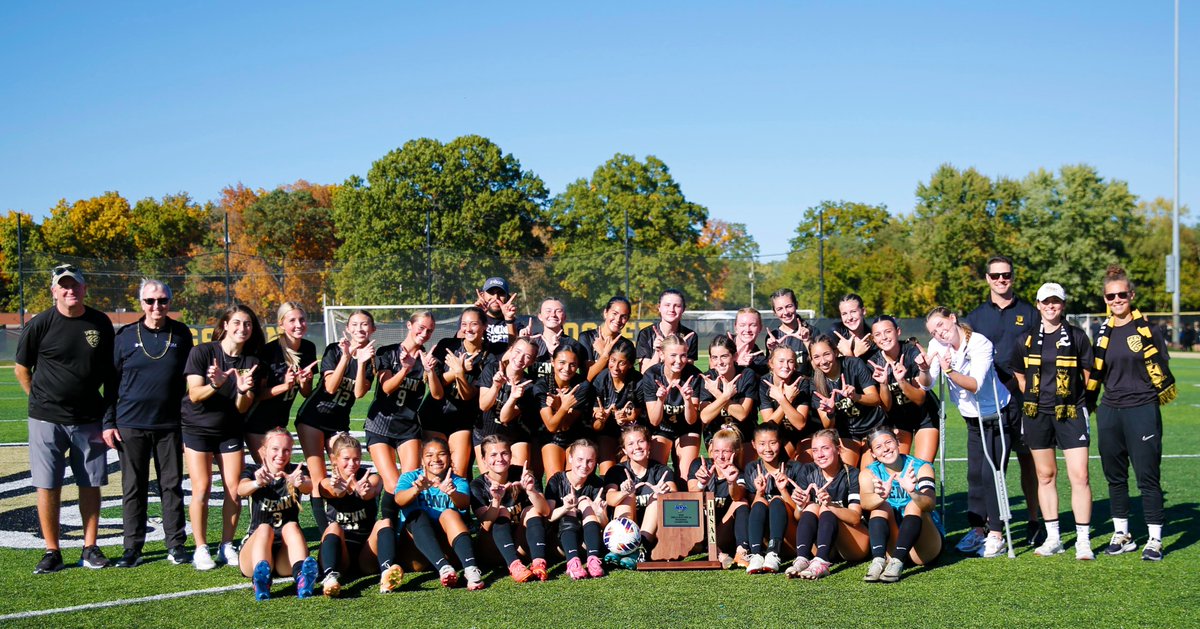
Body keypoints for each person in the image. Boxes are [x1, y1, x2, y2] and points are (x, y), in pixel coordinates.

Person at [17, 263, 117, 573]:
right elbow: (22, 368)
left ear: (85, 289)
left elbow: (110, 374)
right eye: (63, 285)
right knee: (48, 485)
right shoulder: (40, 324)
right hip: (47, 418)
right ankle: (52, 550)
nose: (69, 289)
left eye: (75, 284)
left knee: (90, 483)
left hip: (89, 417)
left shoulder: (100, 323)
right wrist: (39, 400)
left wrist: (109, 415)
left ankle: (90, 547)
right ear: (54, 290)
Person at [1085, 266, 1176, 561]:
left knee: (1147, 477)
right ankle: (1122, 534)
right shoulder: (1101, 332)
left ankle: (1154, 538)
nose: (1116, 300)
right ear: (1105, 298)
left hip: (1142, 409)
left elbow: (1161, 366)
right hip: (1111, 410)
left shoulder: (1148, 330)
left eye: (1122, 294)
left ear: (1132, 295)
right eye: (1111, 296)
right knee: (1115, 477)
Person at [103, 278, 194, 568]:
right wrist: (108, 422)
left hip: (169, 425)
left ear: (170, 301)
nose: (157, 306)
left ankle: (176, 545)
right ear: (141, 303)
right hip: (130, 424)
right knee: (133, 488)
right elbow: (111, 383)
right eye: (151, 301)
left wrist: (185, 424)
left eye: (163, 300)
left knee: (172, 486)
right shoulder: (126, 336)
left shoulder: (181, 334)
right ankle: (133, 548)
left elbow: (186, 383)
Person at [923, 306, 1018, 559]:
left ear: (953, 319)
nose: (939, 333)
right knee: (974, 474)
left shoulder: (978, 343)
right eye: (933, 331)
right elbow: (928, 384)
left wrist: (950, 371)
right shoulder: (935, 345)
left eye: (941, 326)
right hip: (972, 419)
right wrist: (923, 367)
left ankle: (997, 533)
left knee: (991, 474)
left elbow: (975, 384)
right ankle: (978, 529)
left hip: (997, 414)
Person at [963, 255, 1042, 546]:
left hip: (1023, 398)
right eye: (995, 276)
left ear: (1012, 276)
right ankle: (988, 525)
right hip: (990, 401)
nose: (1001, 280)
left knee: (1028, 459)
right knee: (989, 462)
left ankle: (1034, 520)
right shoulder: (975, 317)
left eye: (1005, 275)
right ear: (987, 278)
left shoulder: (1030, 313)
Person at [1014, 283, 1095, 560]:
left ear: (1063, 305)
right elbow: (1021, 376)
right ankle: (1054, 538)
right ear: (1037, 305)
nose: (1051, 306)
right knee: (1045, 475)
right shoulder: (1026, 338)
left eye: (1056, 302)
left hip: (1070, 411)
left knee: (1080, 475)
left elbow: (1087, 374)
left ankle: (1083, 540)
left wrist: (1070, 398)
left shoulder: (1076, 336)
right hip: (1037, 414)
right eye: (1046, 302)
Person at [181, 304, 264, 570]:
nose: (243, 328)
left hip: (229, 430)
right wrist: (216, 384)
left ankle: (227, 545)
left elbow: (242, 408)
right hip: (197, 429)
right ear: (225, 325)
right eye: (237, 323)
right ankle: (201, 548)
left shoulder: (251, 362)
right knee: (202, 488)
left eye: (248, 324)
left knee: (234, 489)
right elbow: (194, 395)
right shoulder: (202, 352)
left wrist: (241, 390)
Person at [295, 310, 376, 532]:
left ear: (373, 329)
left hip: (339, 422)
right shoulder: (334, 349)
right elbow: (330, 387)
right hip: (314, 417)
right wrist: (346, 357)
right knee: (319, 476)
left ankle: (348, 521)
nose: (360, 329)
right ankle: (325, 530)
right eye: (355, 325)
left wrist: (360, 364)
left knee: (344, 471)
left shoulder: (371, 360)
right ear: (348, 329)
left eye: (365, 324)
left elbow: (359, 393)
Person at [366, 311, 442, 532]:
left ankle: (408, 530)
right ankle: (387, 527)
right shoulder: (388, 352)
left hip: (408, 426)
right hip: (380, 425)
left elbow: (437, 395)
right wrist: (406, 369)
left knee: (409, 485)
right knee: (392, 484)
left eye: (429, 330)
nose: (424, 333)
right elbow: (387, 387)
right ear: (409, 325)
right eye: (421, 327)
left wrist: (430, 371)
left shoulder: (427, 358)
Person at [316, 432, 402, 596]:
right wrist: (339, 491)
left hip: (367, 552)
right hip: (341, 553)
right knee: (333, 527)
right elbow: (327, 489)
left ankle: (386, 573)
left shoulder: (371, 478)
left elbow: (373, 488)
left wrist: (364, 492)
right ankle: (329, 578)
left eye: (356, 459)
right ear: (334, 459)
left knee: (384, 522)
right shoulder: (329, 481)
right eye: (346, 459)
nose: (352, 464)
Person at [236, 428, 317, 601]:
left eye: (286, 450)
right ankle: (261, 581)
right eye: (275, 449)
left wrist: (299, 482)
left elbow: (309, 487)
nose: (281, 454)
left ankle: (302, 578)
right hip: (255, 550)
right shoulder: (253, 470)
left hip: (284, 554)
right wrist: (257, 483)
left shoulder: (296, 471)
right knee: (265, 528)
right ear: (263, 450)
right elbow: (240, 489)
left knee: (292, 526)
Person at [394, 437, 485, 590]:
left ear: (449, 458)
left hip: (449, 550)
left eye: (441, 454)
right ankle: (443, 568)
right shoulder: (410, 478)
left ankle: (470, 569)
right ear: (422, 459)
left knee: (449, 513)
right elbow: (399, 500)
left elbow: (464, 504)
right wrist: (416, 489)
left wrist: (452, 493)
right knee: (418, 514)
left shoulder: (457, 481)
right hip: (416, 553)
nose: (435, 459)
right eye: (429, 455)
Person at [860, 428, 942, 583]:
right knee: (880, 506)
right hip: (893, 543)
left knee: (914, 505)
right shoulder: (869, 473)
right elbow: (865, 503)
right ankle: (878, 560)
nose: (885, 449)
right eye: (878, 447)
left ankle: (897, 563)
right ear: (873, 454)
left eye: (888, 442)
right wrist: (880, 496)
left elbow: (930, 504)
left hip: (924, 547)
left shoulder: (921, 467)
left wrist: (913, 492)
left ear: (898, 443)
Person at [785, 429, 867, 579]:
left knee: (824, 507)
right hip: (823, 542)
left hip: (854, 544)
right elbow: (798, 516)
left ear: (838, 449)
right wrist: (800, 505)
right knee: (811, 506)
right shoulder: (808, 470)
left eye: (825, 448)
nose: (820, 455)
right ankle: (802, 558)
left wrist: (830, 505)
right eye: (815, 450)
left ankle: (822, 562)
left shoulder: (852, 474)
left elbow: (856, 518)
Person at [471, 435, 552, 582]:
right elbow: (486, 525)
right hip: (494, 548)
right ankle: (514, 565)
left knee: (531, 510)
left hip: (523, 543)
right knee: (501, 510)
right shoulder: (478, 485)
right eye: (493, 455)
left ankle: (538, 562)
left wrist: (530, 490)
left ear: (511, 455)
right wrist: (496, 500)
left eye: (504, 453)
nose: (500, 458)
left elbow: (546, 511)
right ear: (483, 459)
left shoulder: (523, 473)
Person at [245, 302, 317, 461]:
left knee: (280, 474)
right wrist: (284, 386)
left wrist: (304, 382)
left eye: (302, 319)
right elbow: (257, 395)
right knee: (269, 471)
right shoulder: (269, 351)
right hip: (258, 423)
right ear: (281, 324)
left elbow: (306, 393)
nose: (299, 325)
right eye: (292, 320)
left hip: (280, 422)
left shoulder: (308, 348)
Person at [867, 316, 939, 464]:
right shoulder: (872, 362)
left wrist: (901, 381)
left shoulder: (911, 352)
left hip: (924, 416)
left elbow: (920, 399)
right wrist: (883, 384)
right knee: (896, 466)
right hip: (898, 419)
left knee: (922, 467)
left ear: (898, 331)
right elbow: (886, 406)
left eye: (888, 331)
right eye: (878, 334)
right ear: (873, 339)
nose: (884, 337)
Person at [428, 306, 491, 478]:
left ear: (484, 326)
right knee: (434, 471)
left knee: (459, 473)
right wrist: (456, 371)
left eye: (474, 324)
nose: (468, 329)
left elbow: (468, 395)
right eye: (464, 324)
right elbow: (434, 385)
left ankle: (457, 505)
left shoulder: (489, 356)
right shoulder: (447, 345)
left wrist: (461, 374)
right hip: (434, 414)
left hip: (463, 418)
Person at [808, 335, 886, 467]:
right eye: (816, 357)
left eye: (827, 354)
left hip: (873, 427)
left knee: (868, 471)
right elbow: (828, 425)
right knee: (846, 470)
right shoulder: (816, 382)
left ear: (836, 352)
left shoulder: (853, 364)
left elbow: (875, 399)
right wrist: (830, 412)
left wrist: (856, 396)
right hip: (848, 433)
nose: (823, 361)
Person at [738, 423, 802, 574]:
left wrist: (783, 490)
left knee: (777, 501)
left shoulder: (795, 468)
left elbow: (799, 512)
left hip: (790, 534)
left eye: (773, 443)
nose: (767, 449)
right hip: (763, 535)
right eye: (762, 444)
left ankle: (774, 553)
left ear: (780, 443)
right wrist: (760, 492)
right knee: (760, 502)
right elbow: (753, 511)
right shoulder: (751, 469)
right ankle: (757, 554)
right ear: (753, 444)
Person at [604, 425, 677, 554]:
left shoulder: (661, 470)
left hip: (654, 531)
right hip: (626, 530)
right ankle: (620, 548)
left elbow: (676, 495)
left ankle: (640, 549)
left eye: (641, 441)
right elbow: (610, 499)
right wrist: (624, 492)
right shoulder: (616, 471)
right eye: (630, 444)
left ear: (649, 445)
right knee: (627, 497)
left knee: (656, 497)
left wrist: (665, 493)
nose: (636, 447)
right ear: (624, 450)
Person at [545, 439, 608, 579]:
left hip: (587, 543)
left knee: (585, 502)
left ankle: (593, 560)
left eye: (590, 461)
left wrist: (600, 513)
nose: (584, 465)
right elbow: (548, 516)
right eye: (580, 459)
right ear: (570, 458)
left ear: (596, 462)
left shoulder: (597, 484)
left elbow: (605, 525)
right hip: (559, 542)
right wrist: (565, 507)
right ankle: (572, 562)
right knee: (572, 508)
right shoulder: (557, 480)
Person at [688, 428, 751, 568]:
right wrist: (701, 484)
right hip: (698, 530)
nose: (721, 456)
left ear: (735, 452)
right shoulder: (699, 465)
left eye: (726, 451)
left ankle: (741, 551)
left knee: (742, 502)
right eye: (717, 451)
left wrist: (731, 482)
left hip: (721, 532)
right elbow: (690, 498)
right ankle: (716, 552)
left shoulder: (739, 473)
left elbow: (737, 496)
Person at [641, 334, 703, 476]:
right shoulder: (651, 376)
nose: (678, 361)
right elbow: (654, 421)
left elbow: (691, 420)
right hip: (661, 428)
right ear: (662, 354)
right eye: (673, 355)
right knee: (657, 474)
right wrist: (660, 400)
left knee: (686, 476)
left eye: (683, 355)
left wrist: (687, 400)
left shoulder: (694, 376)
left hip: (687, 428)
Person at [476, 337, 540, 468]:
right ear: (510, 350)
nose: (520, 358)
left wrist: (513, 397)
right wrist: (496, 385)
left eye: (527, 356)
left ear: (532, 361)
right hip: (485, 433)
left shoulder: (530, 386)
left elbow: (504, 418)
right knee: (491, 480)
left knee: (517, 480)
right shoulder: (492, 369)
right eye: (517, 351)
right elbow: (484, 405)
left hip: (514, 436)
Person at [536, 345, 595, 479]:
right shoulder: (542, 385)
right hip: (550, 437)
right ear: (553, 362)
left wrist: (558, 408)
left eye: (572, 365)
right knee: (555, 479)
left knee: (575, 479)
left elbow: (566, 424)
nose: (567, 369)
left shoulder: (582, 386)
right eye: (562, 363)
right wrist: (563, 408)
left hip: (576, 437)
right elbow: (551, 427)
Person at [590, 338, 643, 474]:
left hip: (630, 432)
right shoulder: (601, 380)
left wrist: (626, 420)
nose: (615, 367)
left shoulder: (638, 381)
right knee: (608, 472)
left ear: (630, 364)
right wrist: (601, 419)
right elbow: (596, 427)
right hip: (606, 432)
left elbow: (637, 415)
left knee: (629, 470)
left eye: (622, 363)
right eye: (612, 360)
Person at [699, 335, 758, 451]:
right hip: (715, 433)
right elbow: (705, 417)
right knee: (721, 456)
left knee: (743, 466)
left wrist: (717, 393)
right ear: (710, 360)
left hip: (745, 431)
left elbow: (741, 415)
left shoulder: (746, 374)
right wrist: (725, 396)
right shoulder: (708, 378)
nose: (719, 362)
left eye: (724, 356)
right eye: (715, 357)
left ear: (734, 356)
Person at [758, 345, 815, 461]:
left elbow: (800, 424)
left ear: (795, 365)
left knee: (804, 459)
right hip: (780, 434)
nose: (786, 366)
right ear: (771, 364)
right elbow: (769, 425)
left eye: (790, 361)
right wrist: (787, 399)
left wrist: (783, 400)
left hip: (804, 435)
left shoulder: (801, 382)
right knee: (776, 456)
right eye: (781, 361)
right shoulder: (765, 383)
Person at [525, 298, 587, 385]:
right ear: (540, 316)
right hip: (534, 394)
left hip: (561, 395)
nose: (553, 315)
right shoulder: (532, 341)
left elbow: (583, 377)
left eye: (558, 311)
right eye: (548, 311)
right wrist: (521, 342)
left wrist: (554, 353)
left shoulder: (573, 345)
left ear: (564, 317)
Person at [635, 289, 698, 370]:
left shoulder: (690, 336)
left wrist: (682, 350)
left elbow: (688, 372)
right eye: (667, 305)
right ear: (659, 307)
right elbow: (644, 373)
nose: (671, 309)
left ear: (683, 309)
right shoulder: (646, 334)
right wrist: (658, 352)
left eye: (677, 306)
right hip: (653, 382)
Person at [766, 288, 818, 377]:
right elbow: (771, 371)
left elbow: (819, 366)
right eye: (779, 309)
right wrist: (772, 351)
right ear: (774, 312)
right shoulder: (773, 336)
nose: (785, 312)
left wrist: (807, 342)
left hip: (806, 386)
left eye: (789, 306)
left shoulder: (812, 332)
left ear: (796, 305)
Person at [579, 296, 632, 381]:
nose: (618, 319)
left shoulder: (626, 345)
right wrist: (605, 356)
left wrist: (603, 353)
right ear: (605, 313)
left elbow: (623, 378)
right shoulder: (586, 338)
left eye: (623, 316)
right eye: (614, 313)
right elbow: (587, 377)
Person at [474, 277, 520, 351]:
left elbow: (515, 350)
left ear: (508, 298)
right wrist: (477, 315)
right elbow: (460, 341)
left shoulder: (516, 324)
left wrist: (509, 320)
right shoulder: (469, 318)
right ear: (482, 295)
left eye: (501, 293)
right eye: (491, 293)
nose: (496, 297)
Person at [829, 294, 873, 358]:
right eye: (844, 314)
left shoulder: (873, 338)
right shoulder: (835, 332)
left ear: (863, 311)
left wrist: (850, 354)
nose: (849, 317)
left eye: (853, 312)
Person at [731, 308, 769, 376]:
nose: (747, 329)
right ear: (736, 327)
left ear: (760, 328)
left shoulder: (760, 360)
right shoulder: (722, 345)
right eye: (742, 325)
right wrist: (732, 362)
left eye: (753, 325)